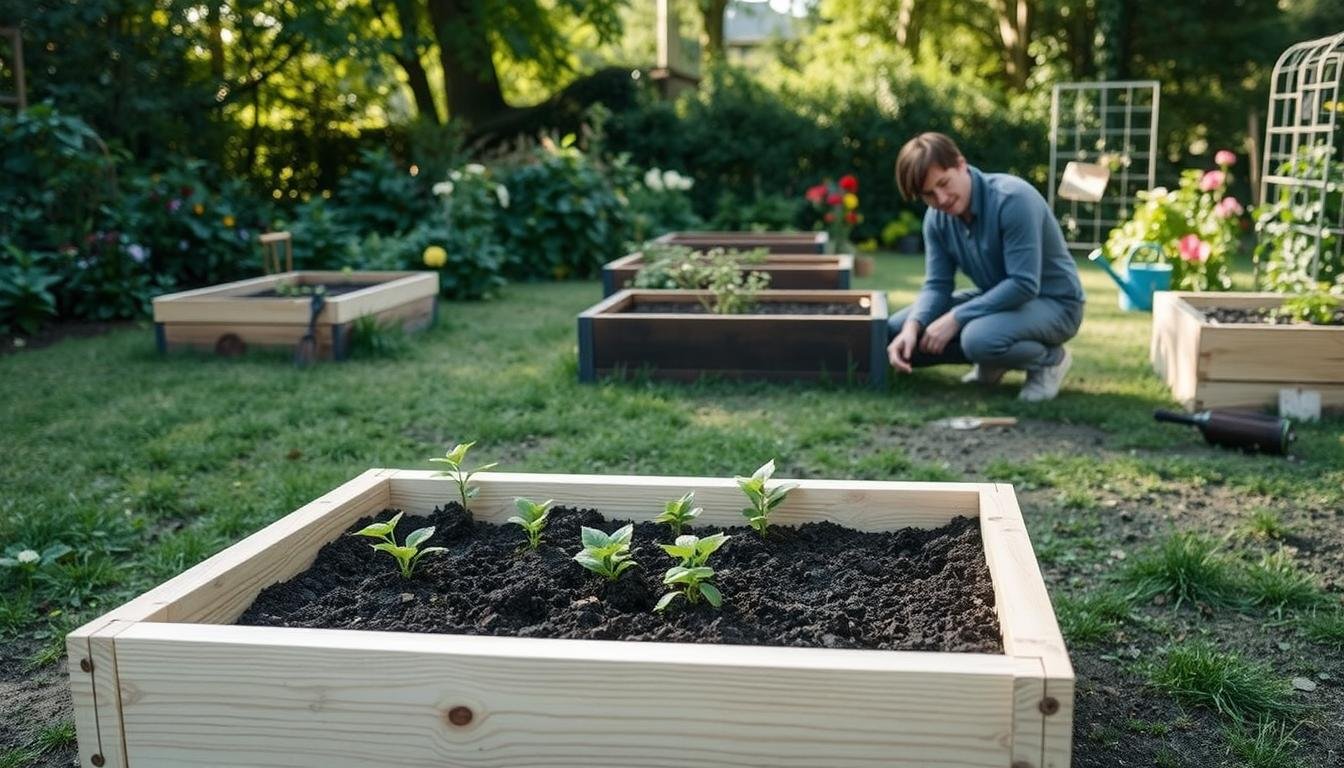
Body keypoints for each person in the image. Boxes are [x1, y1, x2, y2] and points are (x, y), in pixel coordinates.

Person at [887, 132, 1085, 402]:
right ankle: (994, 360)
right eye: (929, 195)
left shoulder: (1013, 199)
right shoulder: (936, 219)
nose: (941, 199)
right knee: (895, 329)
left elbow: (1023, 284)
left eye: (944, 183)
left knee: (977, 339)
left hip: (1056, 304)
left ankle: (1050, 360)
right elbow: (937, 285)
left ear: (960, 164)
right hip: (1002, 302)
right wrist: (913, 327)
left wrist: (956, 318)